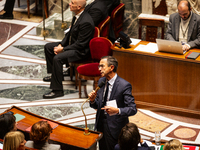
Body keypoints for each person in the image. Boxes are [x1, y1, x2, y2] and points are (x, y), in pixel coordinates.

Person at [42, 0, 95, 99]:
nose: (69, 4)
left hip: (81, 52)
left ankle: (57, 90)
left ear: (79, 7)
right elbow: (69, 34)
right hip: (74, 45)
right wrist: (61, 44)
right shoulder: (77, 15)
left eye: (72, 3)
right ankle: (55, 76)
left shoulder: (86, 21)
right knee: (48, 47)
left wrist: (63, 49)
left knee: (57, 58)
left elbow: (81, 44)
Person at [88, 56, 137, 150]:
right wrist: (93, 100)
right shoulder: (102, 81)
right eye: (99, 66)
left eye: (102, 66)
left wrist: (117, 110)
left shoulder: (124, 85)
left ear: (111, 67)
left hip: (115, 127)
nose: (99, 69)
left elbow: (133, 109)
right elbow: (98, 104)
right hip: (101, 124)